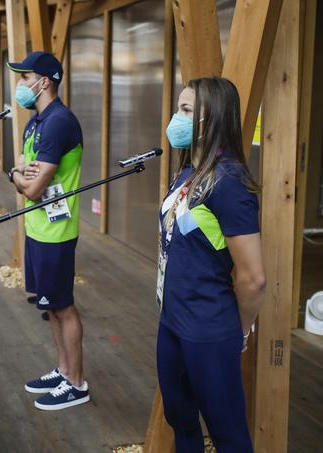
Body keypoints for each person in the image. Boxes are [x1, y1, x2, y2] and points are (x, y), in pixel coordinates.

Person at [157, 77, 266, 452]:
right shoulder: (189, 170)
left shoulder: (230, 183)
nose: (177, 118)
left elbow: (253, 279)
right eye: (179, 108)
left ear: (213, 118)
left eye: (187, 111)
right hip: (172, 323)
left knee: (228, 435)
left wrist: (241, 329)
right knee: (181, 423)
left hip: (209, 329)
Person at [6, 51, 88, 411]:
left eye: (25, 78)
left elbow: (32, 185)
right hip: (37, 226)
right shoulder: (35, 120)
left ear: (44, 82)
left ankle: (76, 382)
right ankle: (63, 369)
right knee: (50, 307)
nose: (20, 85)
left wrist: (16, 176)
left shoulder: (58, 122)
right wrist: (21, 174)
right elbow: (24, 169)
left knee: (64, 307)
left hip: (56, 232)